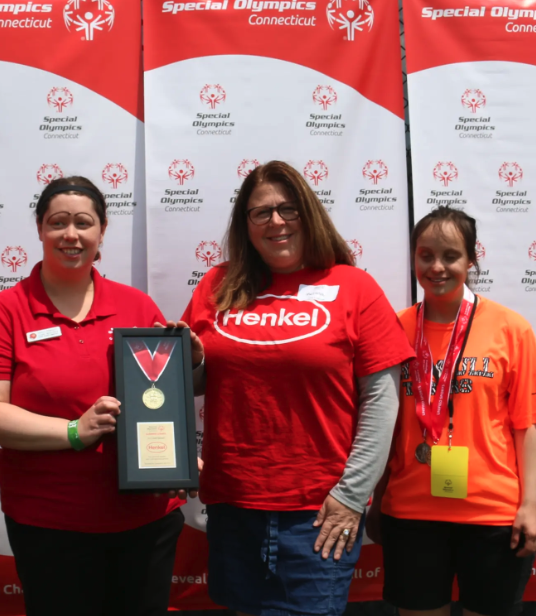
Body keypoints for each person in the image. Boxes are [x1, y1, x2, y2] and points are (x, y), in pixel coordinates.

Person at [177, 160, 414, 616]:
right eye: (260, 212)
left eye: (288, 209)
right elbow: (195, 386)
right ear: (245, 224)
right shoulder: (217, 286)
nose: (276, 222)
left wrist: (350, 496)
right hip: (233, 505)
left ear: (309, 213)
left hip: (320, 513)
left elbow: (382, 401)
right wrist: (191, 361)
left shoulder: (354, 287)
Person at [0, 176, 185, 616]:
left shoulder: (136, 306)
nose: (71, 234)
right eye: (58, 222)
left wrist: (189, 365)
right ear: (40, 229)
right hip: (49, 526)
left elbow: (161, 399)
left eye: (84, 223)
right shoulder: (5, 311)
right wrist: (73, 431)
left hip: (145, 522)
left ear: (102, 231)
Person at [366, 206, 536, 616]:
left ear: (471, 259)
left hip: (492, 515)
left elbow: (529, 424)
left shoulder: (510, 329)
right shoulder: (394, 329)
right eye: (425, 255)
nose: (437, 266)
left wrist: (528, 507)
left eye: (450, 255)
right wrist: (376, 501)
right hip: (411, 513)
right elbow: (384, 426)